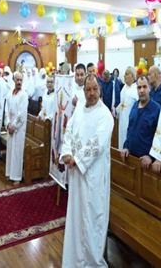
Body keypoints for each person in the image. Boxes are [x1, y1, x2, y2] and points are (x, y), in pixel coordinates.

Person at [60, 74, 113, 267]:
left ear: (100, 90)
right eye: (88, 90)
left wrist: (78, 160)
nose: (91, 93)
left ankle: (91, 262)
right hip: (76, 175)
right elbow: (69, 131)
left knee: (92, 219)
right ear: (84, 91)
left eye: (94, 89)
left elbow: (97, 144)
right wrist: (66, 152)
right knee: (76, 218)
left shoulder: (105, 115)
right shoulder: (80, 109)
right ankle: (74, 260)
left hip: (93, 177)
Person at [121, 76, 161, 164]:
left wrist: (151, 157)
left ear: (150, 88)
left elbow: (159, 137)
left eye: (144, 87)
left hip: (146, 162)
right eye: (139, 87)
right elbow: (130, 129)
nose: (141, 90)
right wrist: (126, 147)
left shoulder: (157, 109)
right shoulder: (134, 106)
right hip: (130, 158)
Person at [4, 72, 29, 184]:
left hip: (19, 128)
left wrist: (14, 126)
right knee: (10, 150)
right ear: (13, 80)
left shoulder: (24, 95)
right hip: (10, 126)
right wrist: (8, 123)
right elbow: (6, 110)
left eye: (20, 80)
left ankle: (17, 177)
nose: (19, 82)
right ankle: (10, 173)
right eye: (17, 80)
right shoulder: (10, 93)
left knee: (17, 152)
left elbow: (22, 114)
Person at [116, 67, 138, 147]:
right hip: (122, 120)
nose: (124, 76)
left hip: (130, 122)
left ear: (133, 76)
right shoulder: (124, 88)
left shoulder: (136, 89)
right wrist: (116, 110)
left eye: (126, 74)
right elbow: (123, 103)